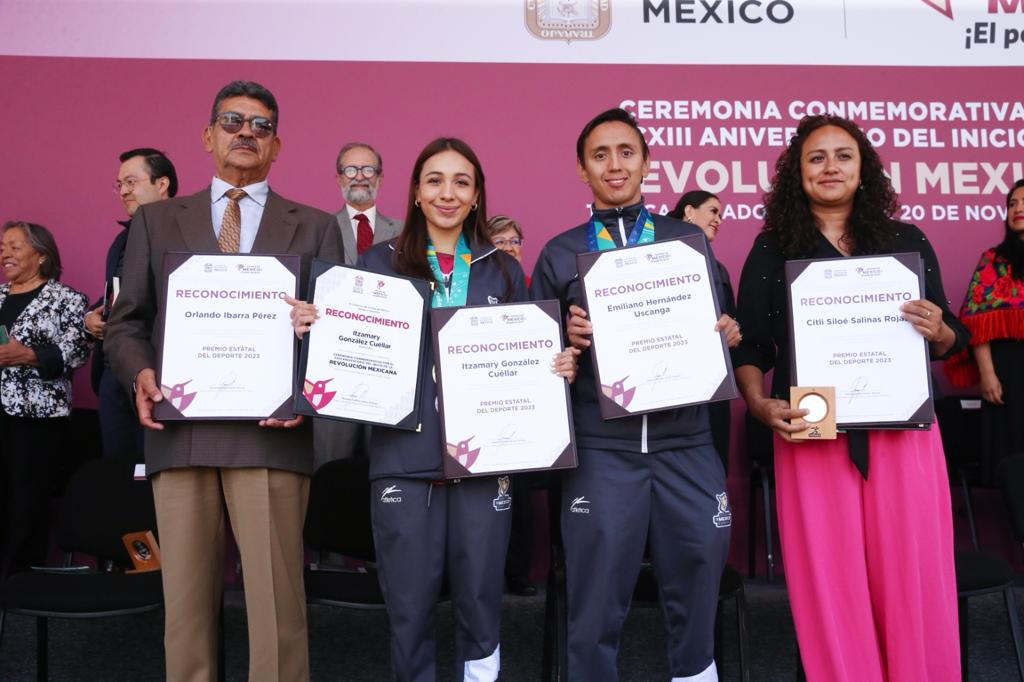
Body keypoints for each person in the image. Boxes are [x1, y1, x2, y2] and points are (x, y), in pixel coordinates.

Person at [293, 137, 576, 682]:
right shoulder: (378, 263)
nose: (448, 193)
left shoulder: (502, 270)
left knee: (480, 604)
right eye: (435, 181)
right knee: (410, 610)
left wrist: (557, 363)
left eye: (461, 182)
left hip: (484, 460)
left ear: (476, 198)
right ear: (417, 194)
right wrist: (316, 328)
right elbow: (346, 357)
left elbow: (530, 354)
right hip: (403, 458)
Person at [105, 80, 342, 682]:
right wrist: (140, 372)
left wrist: (307, 387)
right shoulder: (156, 221)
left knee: (277, 612)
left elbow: (338, 336)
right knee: (184, 614)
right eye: (233, 121)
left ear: (277, 144)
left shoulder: (314, 226)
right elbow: (126, 323)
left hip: (273, 434)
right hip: (178, 433)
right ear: (208, 136)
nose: (246, 133)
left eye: (260, 126)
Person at [733, 114, 965, 681]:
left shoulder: (906, 240)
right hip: (812, 421)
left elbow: (948, 334)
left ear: (865, 171)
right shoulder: (773, 248)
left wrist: (940, 330)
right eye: (816, 158)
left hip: (902, 426)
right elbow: (752, 347)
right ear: (797, 173)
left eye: (843, 156)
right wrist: (759, 405)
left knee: (909, 574)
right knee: (831, 581)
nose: (830, 167)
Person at [531, 108, 739, 682]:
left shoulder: (687, 240)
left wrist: (729, 330)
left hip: (686, 443)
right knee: (594, 606)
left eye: (626, 151)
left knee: (698, 594)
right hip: (603, 449)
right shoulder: (559, 252)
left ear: (647, 162)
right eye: (600, 155)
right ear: (581, 169)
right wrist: (565, 346)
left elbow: (721, 325)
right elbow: (540, 364)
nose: (614, 164)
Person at [0, 221, 91, 578]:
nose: (5, 253)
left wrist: (29, 355)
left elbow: (78, 351)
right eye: (2, 247)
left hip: (37, 416)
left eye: (14, 246)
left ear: (40, 255)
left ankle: (18, 579)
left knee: (27, 500)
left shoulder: (67, 300)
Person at [313, 142, 404, 469]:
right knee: (332, 468)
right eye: (351, 170)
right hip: (333, 366)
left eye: (368, 170)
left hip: (387, 366)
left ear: (380, 177)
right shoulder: (317, 228)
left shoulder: (405, 233)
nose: (360, 177)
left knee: (384, 467)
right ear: (339, 178)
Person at [85, 148, 177, 462]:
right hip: (113, 371)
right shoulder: (121, 239)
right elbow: (121, 292)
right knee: (118, 471)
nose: (124, 190)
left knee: (153, 472)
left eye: (131, 181)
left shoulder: (183, 233)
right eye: (119, 184)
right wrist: (93, 316)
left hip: (160, 372)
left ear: (162, 184)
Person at [946, 179, 1024, 480]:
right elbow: (976, 322)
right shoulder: (993, 260)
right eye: (1012, 204)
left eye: (1023, 202)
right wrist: (988, 375)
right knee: (1013, 453)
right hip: (1007, 370)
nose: (1017, 209)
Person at [484, 213, 537, 596]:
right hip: (481, 400)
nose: (509, 249)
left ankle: (518, 575)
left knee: (520, 495)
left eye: (514, 241)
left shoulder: (538, 287)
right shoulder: (473, 287)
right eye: (499, 242)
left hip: (527, 402)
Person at [668, 190, 735, 472]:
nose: (719, 219)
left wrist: (733, 331)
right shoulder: (659, 257)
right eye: (713, 211)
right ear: (689, 212)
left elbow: (732, 319)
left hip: (713, 386)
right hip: (669, 387)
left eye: (721, 214)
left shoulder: (718, 269)